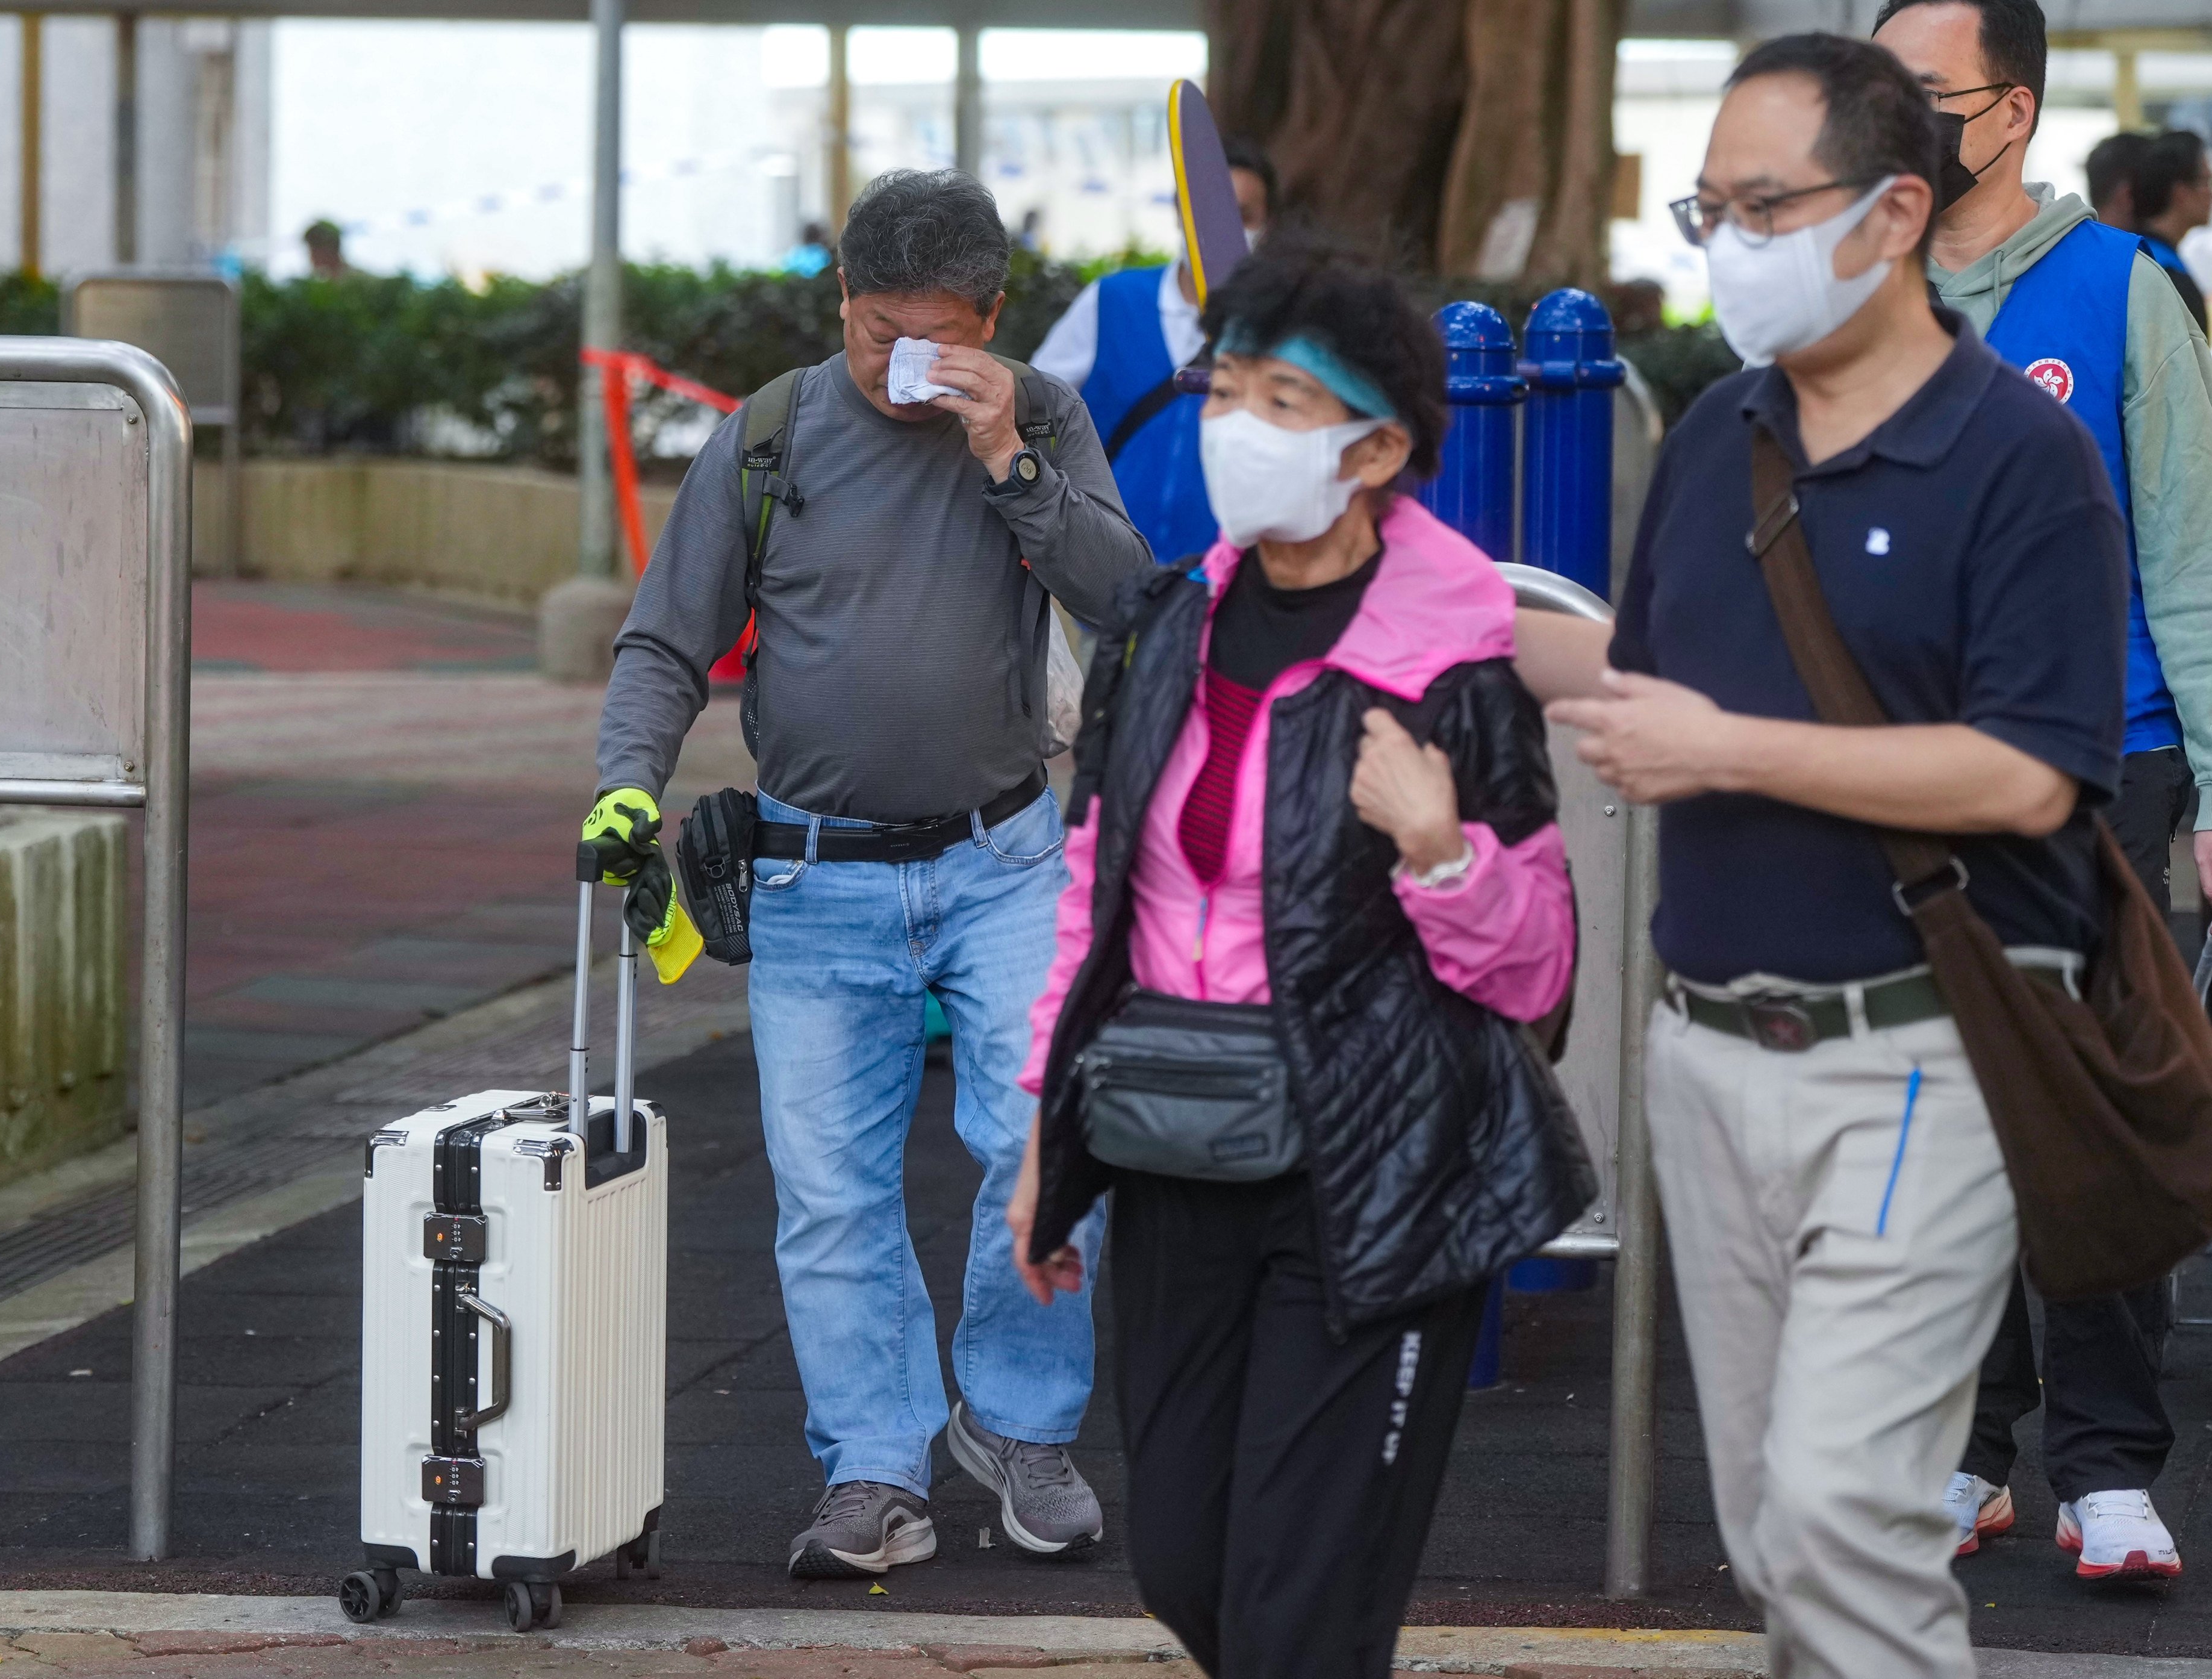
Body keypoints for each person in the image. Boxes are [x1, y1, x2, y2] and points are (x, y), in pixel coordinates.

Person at [1524, 31, 2127, 1677]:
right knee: (1777, 1533)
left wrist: (1725, 754)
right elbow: (1644, 680)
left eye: (1764, 205)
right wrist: (1436, 610)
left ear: (1893, 211)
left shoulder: (2025, 462)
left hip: (1920, 1057)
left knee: (1847, 1514)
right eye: (1708, 207)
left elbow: (2027, 776)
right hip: (1707, 1057)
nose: (1729, 244)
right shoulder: (1721, 428)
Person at [1005, 235, 1591, 1677]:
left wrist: (1441, 851)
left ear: (1376, 445)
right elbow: (1096, 892)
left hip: (1374, 1171)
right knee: (1185, 1563)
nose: (1233, 429)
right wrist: (1045, 1137)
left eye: (1281, 401)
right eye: (1226, 392)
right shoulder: (1170, 625)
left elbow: (1539, 973)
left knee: (1298, 1616)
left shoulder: (1451, 664)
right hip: (1176, 1149)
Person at [588, 167, 1153, 1580]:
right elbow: (666, 639)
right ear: (839, 299)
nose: (901, 366)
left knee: (1042, 1148)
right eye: (875, 331)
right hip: (813, 876)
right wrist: (622, 786)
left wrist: (1011, 460)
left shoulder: (1044, 413)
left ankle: (1018, 1424)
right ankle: (873, 1465)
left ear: (994, 317)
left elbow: (1122, 594)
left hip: (1004, 857)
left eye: (936, 338)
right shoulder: (768, 436)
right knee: (831, 1190)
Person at [1875, 0, 2212, 1581]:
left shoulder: (2125, 292)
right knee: (1938, 1136)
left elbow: (2191, 561)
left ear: (2006, 115)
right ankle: (1963, 1447)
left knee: (2094, 1118)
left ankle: (2109, 1465)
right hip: (1902, 781)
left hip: (2107, 774)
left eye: (1920, 97)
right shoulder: (1859, 290)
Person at [1030, 138, 1276, 566]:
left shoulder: (1281, 328)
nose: (1223, 229)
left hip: (1227, 582)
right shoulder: (1113, 301)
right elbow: (1034, 403)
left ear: (1266, 225)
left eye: (1243, 217)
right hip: (1107, 571)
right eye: (1208, 211)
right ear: (1180, 212)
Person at [2129, 130, 2211, 330]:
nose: (2210, 192)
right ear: (2181, 192)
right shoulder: (2166, 277)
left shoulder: (2130, 255)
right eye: (2205, 181)